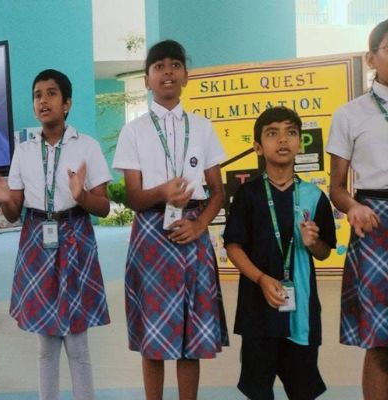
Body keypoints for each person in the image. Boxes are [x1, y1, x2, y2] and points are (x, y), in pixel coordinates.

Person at [0, 69, 111, 400]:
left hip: (76, 236)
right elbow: (14, 213)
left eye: (51, 93)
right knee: (45, 345)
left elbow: (103, 207)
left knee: (77, 344)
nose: (43, 100)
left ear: (67, 103)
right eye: (37, 95)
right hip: (36, 239)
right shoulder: (24, 151)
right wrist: (4, 198)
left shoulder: (87, 146)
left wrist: (81, 195)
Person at [112, 39, 228, 400]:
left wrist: (199, 225)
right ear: (146, 79)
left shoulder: (202, 128)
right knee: (154, 338)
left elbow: (218, 192)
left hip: (192, 231)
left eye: (175, 65)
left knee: (191, 339)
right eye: (159, 66)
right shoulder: (133, 131)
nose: (168, 72)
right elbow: (133, 197)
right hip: (150, 233)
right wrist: (163, 192)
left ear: (186, 76)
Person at [225, 107, 335, 400]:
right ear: (258, 147)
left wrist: (313, 243)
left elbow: (324, 252)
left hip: (301, 312)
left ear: (300, 143)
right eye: (272, 133)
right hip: (257, 311)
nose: (283, 139)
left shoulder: (314, 196)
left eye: (291, 132)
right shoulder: (247, 194)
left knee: (303, 389)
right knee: (258, 390)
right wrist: (261, 279)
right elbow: (233, 247)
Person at [327, 18, 388, 400]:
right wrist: (353, 207)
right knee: (380, 342)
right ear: (371, 58)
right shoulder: (349, 114)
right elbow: (336, 188)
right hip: (375, 225)